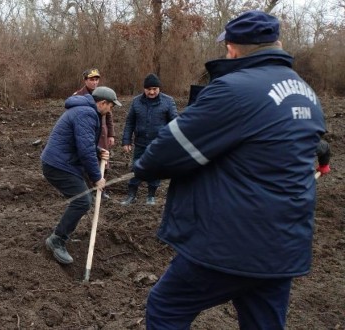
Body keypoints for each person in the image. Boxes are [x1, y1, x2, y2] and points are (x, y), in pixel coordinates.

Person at [133, 11, 326, 329]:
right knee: (263, 320)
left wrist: (142, 168)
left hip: (234, 241)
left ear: (233, 48)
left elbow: (164, 154)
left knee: (167, 306)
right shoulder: (307, 93)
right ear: (276, 44)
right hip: (284, 243)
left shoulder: (232, 90)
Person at [41, 87, 121, 264]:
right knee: (83, 201)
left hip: (61, 162)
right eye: (111, 106)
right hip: (59, 165)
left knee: (82, 200)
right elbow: (85, 151)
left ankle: (62, 235)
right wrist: (97, 178)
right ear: (102, 103)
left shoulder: (84, 110)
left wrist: (98, 151)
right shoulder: (87, 114)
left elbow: (83, 142)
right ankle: (57, 240)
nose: (111, 110)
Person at [120, 73, 177, 206]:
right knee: (135, 168)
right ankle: (131, 195)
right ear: (144, 89)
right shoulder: (136, 102)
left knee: (155, 169)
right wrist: (126, 141)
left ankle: (151, 196)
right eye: (148, 89)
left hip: (158, 144)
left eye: (154, 89)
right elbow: (130, 122)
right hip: (140, 142)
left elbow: (174, 123)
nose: (151, 92)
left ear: (159, 89)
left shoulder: (168, 102)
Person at [73, 68, 116, 199]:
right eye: (91, 80)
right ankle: (88, 189)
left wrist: (111, 134)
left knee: (103, 160)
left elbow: (108, 116)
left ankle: (102, 190)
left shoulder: (104, 94)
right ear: (85, 80)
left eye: (96, 79)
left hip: (101, 133)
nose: (95, 82)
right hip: (86, 132)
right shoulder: (78, 96)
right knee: (88, 159)